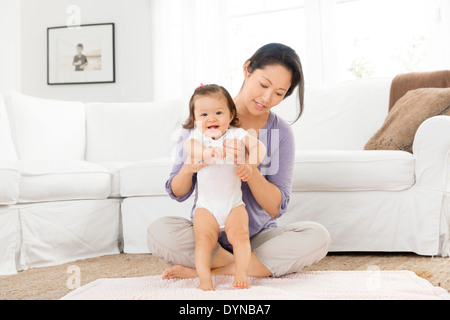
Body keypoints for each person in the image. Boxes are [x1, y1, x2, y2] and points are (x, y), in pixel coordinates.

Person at [148, 43, 330, 282]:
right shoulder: (205, 115)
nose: (266, 98)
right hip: (207, 232)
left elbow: (276, 207)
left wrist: (248, 166)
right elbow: (177, 192)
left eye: (279, 93)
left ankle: (205, 270)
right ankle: (246, 266)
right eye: (264, 85)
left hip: (257, 237)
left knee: (317, 236)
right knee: (159, 231)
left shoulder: (280, 132)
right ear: (247, 69)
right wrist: (189, 167)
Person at [184, 84, 266, 290]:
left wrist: (249, 164)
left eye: (218, 112)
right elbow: (189, 148)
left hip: (233, 205)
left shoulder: (236, 135)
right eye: (204, 114)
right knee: (203, 241)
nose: (211, 118)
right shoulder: (198, 138)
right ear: (195, 119)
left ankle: (241, 272)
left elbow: (259, 147)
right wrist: (207, 153)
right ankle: (204, 279)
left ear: (230, 115)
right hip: (206, 207)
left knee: (240, 237)